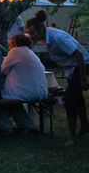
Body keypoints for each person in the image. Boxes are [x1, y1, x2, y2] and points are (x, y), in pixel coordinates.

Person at [25, 17, 89, 145]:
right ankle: (85, 127)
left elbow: (79, 55)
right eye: (28, 33)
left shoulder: (57, 38)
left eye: (32, 33)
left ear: (41, 30)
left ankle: (72, 138)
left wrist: (83, 78)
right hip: (72, 69)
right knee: (78, 100)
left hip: (83, 65)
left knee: (69, 100)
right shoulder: (47, 38)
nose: (29, 36)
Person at [0, 33, 47, 134]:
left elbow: (3, 71)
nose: (9, 46)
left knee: (0, 98)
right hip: (40, 91)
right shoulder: (30, 53)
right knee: (12, 101)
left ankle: (4, 126)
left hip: (25, 92)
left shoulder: (15, 51)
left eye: (10, 44)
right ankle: (27, 125)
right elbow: (43, 68)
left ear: (14, 43)